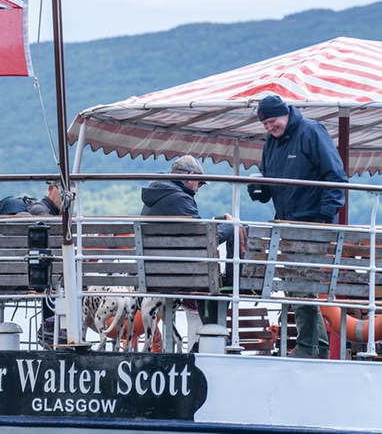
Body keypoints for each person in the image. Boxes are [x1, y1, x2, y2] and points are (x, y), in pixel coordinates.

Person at [247, 94, 348, 359]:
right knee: (297, 286)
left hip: (313, 223)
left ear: (285, 114)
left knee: (299, 284)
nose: (269, 128)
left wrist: (326, 218)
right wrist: (259, 189)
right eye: (265, 124)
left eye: (271, 121)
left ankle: (306, 348)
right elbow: (269, 180)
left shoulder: (312, 131)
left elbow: (336, 176)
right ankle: (319, 348)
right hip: (286, 224)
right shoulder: (271, 142)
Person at [140, 155, 236, 350]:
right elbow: (202, 240)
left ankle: (207, 340)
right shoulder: (180, 198)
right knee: (218, 282)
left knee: (207, 277)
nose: (198, 189)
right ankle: (213, 339)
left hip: (153, 274)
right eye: (199, 184)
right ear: (190, 177)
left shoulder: (157, 195)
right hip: (176, 276)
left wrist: (218, 222)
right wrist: (231, 226)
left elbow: (194, 231)